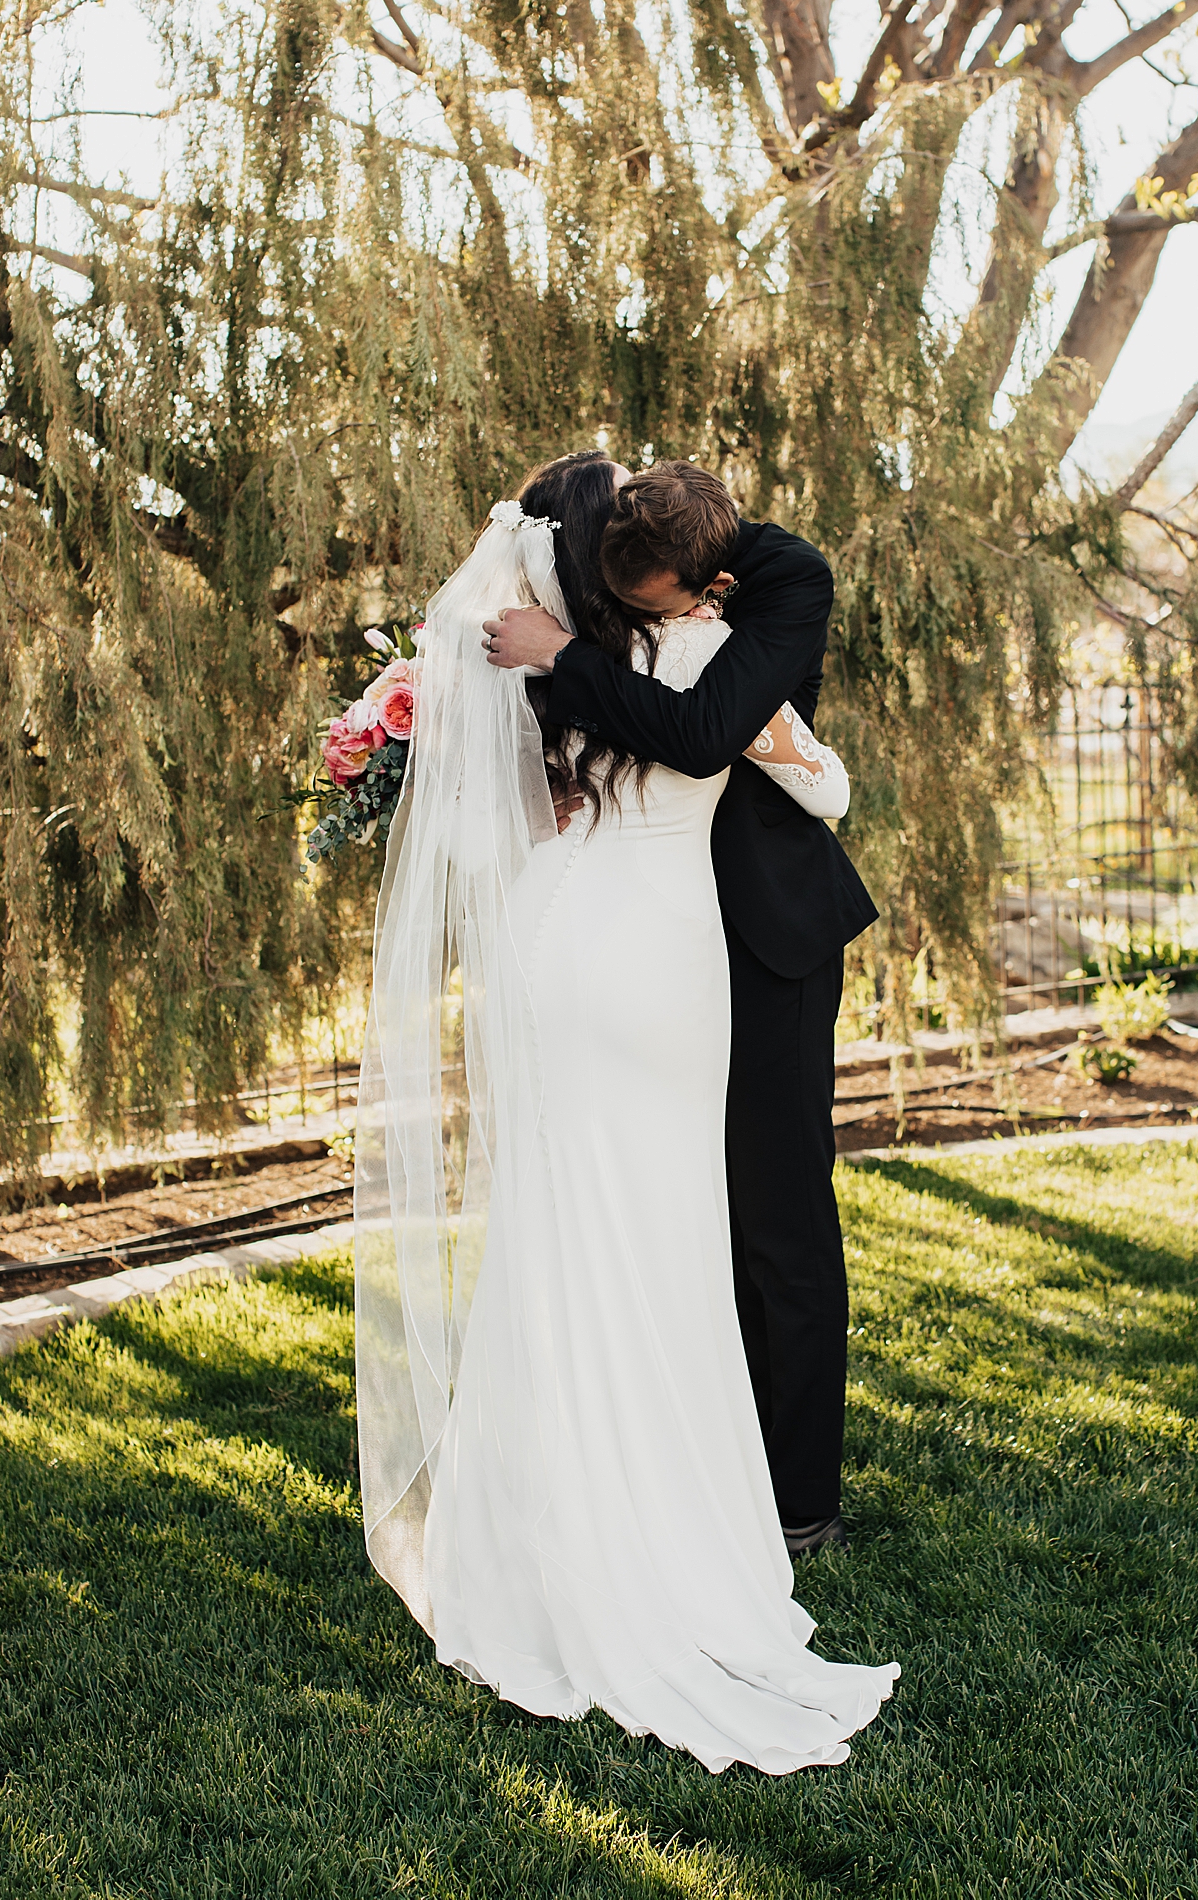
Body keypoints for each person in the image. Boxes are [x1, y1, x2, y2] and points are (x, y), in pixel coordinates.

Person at [354, 450, 897, 1775]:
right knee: (656, 1241)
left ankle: (533, 1527)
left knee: (557, 1230)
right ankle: (670, 1521)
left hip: (552, 937)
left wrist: (450, 713)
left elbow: (525, 792)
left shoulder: (541, 653)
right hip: (655, 959)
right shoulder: (701, 648)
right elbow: (789, 767)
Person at [483, 464, 877, 1553]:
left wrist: (562, 664)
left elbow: (708, 730)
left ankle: (795, 1500)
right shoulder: (579, 639)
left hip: (757, 942)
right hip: (651, 947)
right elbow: (819, 779)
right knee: (655, 1209)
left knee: (772, 1216)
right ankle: (677, 1458)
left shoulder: (776, 581)